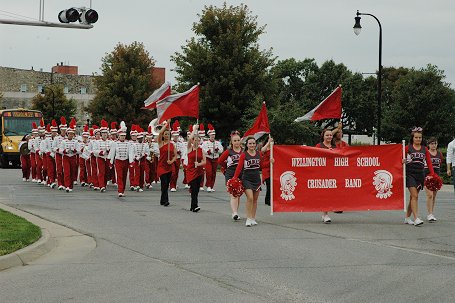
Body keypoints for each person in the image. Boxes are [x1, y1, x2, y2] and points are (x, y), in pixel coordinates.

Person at [404, 127, 435, 226]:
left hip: (420, 174)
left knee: (412, 197)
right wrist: (402, 161)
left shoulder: (425, 149)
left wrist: (432, 174)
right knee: (415, 196)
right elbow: (399, 159)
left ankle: (407, 217)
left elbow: (429, 163)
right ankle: (416, 218)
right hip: (410, 174)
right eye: (416, 137)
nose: (418, 139)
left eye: (420, 138)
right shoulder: (407, 148)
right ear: (412, 138)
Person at [233, 136, 265, 227]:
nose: (252, 145)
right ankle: (248, 218)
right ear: (247, 145)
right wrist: (235, 178)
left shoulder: (259, 154)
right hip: (246, 178)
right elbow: (239, 167)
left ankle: (253, 218)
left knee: (255, 200)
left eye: (253, 143)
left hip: (256, 179)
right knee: (250, 198)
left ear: (255, 144)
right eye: (250, 143)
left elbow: (262, 166)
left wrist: (271, 162)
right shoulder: (244, 154)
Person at [218, 130, 243, 221]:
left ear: (240, 141)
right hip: (231, 174)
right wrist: (226, 168)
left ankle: (235, 211)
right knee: (234, 194)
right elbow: (220, 161)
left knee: (238, 193)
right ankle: (235, 213)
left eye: (238, 140)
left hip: (242, 174)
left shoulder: (244, 151)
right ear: (232, 142)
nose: (237, 142)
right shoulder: (228, 152)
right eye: (235, 141)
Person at [315, 128, 336, 223]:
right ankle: (325, 213)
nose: (329, 137)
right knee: (324, 193)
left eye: (331, 135)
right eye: (327, 135)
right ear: (323, 136)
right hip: (321, 173)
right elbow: (314, 157)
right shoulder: (319, 146)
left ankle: (325, 213)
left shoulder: (335, 147)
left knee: (331, 194)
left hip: (333, 173)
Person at [186, 126, 206, 212]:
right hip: (191, 171)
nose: (197, 142)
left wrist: (199, 164)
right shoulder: (190, 148)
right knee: (193, 188)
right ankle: (195, 206)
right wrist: (195, 129)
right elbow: (189, 138)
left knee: (196, 189)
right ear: (193, 141)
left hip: (199, 171)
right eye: (195, 140)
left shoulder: (201, 150)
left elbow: (204, 161)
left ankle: (192, 206)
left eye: (198, 140)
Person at [108, 122, 131, 197]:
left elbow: (130, 153)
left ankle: (123, 190)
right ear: (119, 136)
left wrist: (131, 162)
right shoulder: (115, 143)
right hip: (118, 161)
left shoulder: (128, 144)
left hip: (126, 161)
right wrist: (111, 162)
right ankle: (120, 191)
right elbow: (112, 153)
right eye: (121, 136)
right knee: (119, 176)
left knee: (124, 176)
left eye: (124, 136)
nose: (123, 137)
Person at [157, 121, 177, 206]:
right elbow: (160, 132)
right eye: (165, 134)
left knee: (166, 184)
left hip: (169, 166)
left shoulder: (172, 145)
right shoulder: (161, 143)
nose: (166, 135)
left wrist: (171, 161)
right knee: (164, 183)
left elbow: (175, 156)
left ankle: (162, 200)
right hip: (162, 166)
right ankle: (165, 201)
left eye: (168, 134)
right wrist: (166, 124)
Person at [424, 137, 443, 222]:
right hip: (427, 176)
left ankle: (431, 213)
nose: (433, 145)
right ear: (428, 144)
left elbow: (440, 164)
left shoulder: (439, 154)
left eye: (435, 143)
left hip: (436, 177)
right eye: (432, 143)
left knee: (434, 196)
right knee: (430, 195)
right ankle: (429, 214)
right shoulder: (426, 153)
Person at [202, 123, 223, 192]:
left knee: (214, 173)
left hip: (215, 158)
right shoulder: (205, 143)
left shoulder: (218, 143)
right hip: (208, 158)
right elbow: (203, 150)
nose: (213, 136)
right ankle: (208, 185)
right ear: (209, 135)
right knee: (209, 172)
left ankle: (211, 186)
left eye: (213, 135)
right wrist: (207, 152)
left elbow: (221, 150)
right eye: (211, 135)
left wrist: (218, 150)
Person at [60, 119, 79, 193]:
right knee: (67, 171)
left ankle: (70, 186)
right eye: (69, 134)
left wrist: (74, 150)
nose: (71, 135)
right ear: (67, 134)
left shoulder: (76, 141)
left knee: (72, 172)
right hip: (66, 157)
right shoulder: (63, 141)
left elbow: (79, 150)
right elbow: (60, 150)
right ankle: (67, 185)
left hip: (73, 157)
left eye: (72, 134)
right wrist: (65, 151)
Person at [260, 135, 273, 206]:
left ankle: (268, 200)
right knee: (269, 186)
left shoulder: (273, 148)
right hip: (266, 170)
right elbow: (262, 150)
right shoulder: (265, 148)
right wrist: (268, 142)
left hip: (272, 170)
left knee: (271, 186)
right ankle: (268, 200)